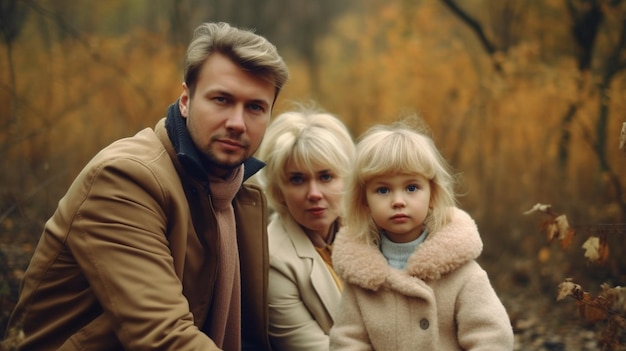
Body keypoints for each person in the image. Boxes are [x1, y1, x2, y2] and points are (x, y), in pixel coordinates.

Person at [4, 22, 289, 350]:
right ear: (185, 100)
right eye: (222, 99)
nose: (237, 123)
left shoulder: (239, 193)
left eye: (255, 107)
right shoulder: (125, 179)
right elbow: (164, 337)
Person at [329, 116, 514, 350]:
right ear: (364, 201)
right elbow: (347, 341)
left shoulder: (462, 271)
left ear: (432, 194)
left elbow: (492, 338)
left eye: (411, 188)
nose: (398, 201)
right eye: (383, 189)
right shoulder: (361, 276)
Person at [255, 105, 355, 350]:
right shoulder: (272, 260)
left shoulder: (374, 227)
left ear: (348, 178)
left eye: (325, 177)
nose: (314, 194)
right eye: (297, 179)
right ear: (279, 189)